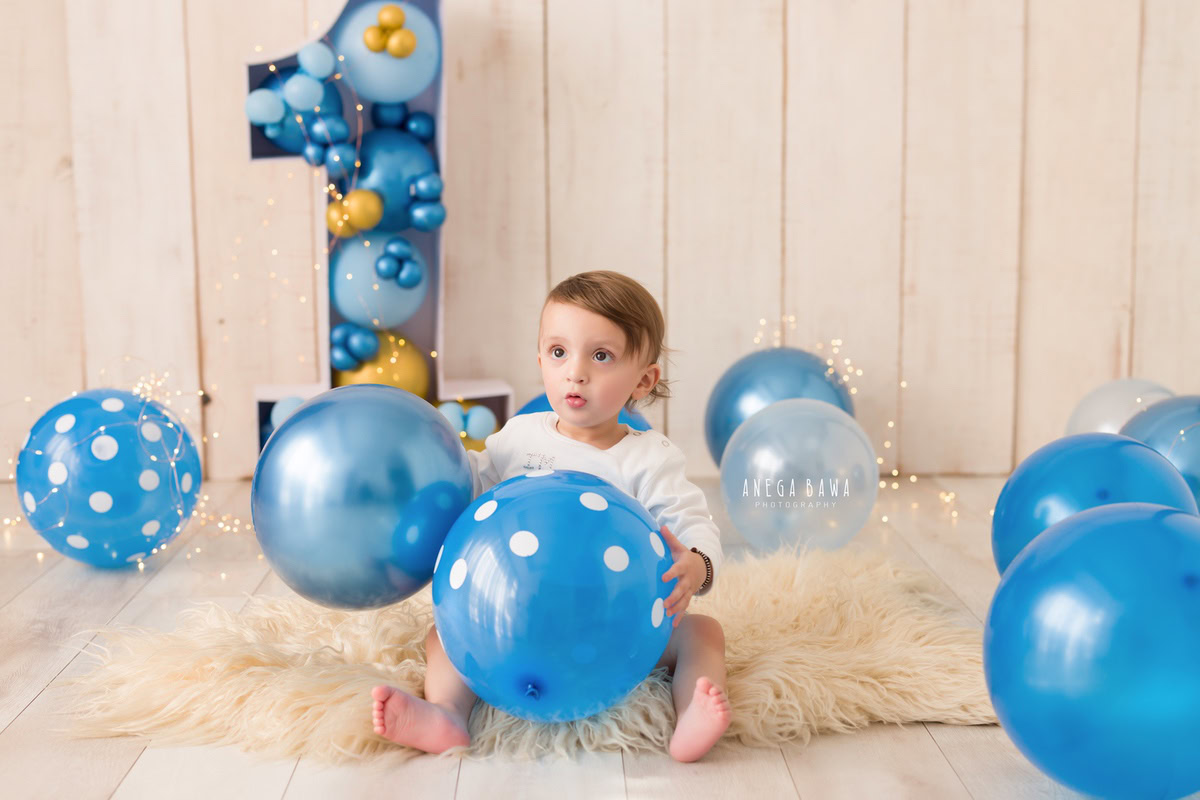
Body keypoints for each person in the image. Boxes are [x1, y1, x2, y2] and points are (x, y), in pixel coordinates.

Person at [372, 270, 731, 762]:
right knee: (444, 635)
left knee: (702, 632)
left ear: (643, 380)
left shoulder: (649, 458)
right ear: (540, 358)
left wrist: (696, 563)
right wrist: (436, 464)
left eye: (601, 356)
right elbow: (472, 487)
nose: (575, 372)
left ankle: (692, 711)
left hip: (617, 626)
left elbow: (691, 520)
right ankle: (448, 714)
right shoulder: (520, 436)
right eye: (559, 353)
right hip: (508, 622)